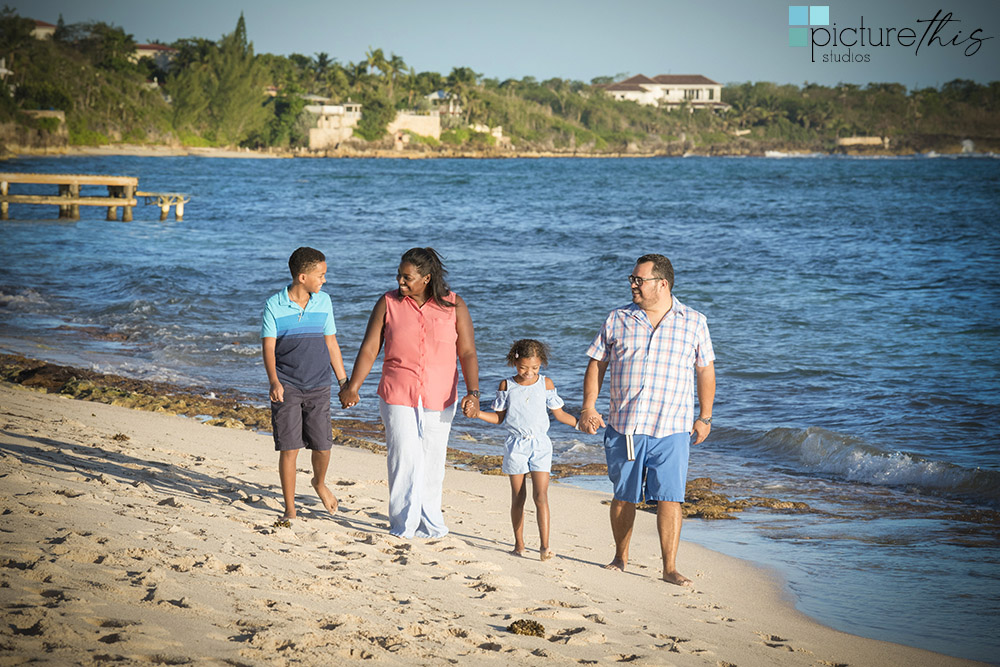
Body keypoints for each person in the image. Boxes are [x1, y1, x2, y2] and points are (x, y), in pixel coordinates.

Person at [580, 254, 715, 586]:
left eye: (639, 280)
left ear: (662, 284)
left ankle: (669, 568)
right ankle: (620, 557)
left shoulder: (694, 321)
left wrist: (705, 417)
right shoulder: (617, 319)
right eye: (632, 279)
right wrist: (588, 407)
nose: (633, 285)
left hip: (673, 427)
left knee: (671, 496)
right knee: (624, 494)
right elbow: (597, 364)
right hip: (626, 426)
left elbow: (705, 370)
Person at [339, 247, 480, 539]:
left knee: (432, 460)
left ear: (426, 278)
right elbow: (370, 348)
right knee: (403, 456)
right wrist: (353, 386)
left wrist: (473, 392)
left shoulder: (455, 306)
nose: (400, 283)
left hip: (441, 395)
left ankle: (431, 524)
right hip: (397, 391)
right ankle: (403, 525)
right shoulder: (388, 303)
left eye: (408, 278)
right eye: (399, 277)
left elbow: (466, 352)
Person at [468, 339, 578, 561]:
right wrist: (477, 414)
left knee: (541, 496)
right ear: (514, 362)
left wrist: (580, 423)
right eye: (523, 368)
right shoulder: (506, 386)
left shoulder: (546, 384)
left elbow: (560, 414)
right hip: (515, 445)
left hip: (540, 445)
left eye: (535, 368)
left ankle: (545, 547)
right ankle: (519, 545)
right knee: (518, 497)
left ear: (541, 365)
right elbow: (499, 418)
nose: (529, 372)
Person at [260, 247, 348, 527]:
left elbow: (331, 343)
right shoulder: (274, 305)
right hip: (287, 385)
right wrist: (274, 381)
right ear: (302, 277)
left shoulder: (324, 302)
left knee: (322, 446)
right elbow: (268, 347)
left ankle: (319, 482)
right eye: (320, 275)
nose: (324, 280)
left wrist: (344, 382)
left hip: (320, 385)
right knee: (290, 448)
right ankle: (290, 509)